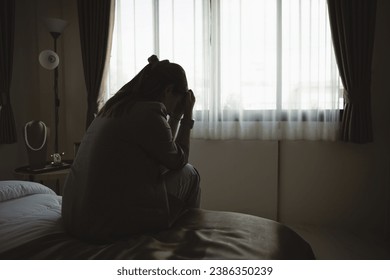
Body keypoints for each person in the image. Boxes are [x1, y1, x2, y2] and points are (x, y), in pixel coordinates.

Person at [61, 55, 200, 243]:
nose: (176, 106)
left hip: (74, 217)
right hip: (100, 225)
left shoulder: (115, 107)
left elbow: (165, 151)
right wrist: (187, 117)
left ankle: (177, 231)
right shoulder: (148, 113)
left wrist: (174, 116)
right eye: (178, 100)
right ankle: (189, 237)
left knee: (166, 173)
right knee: (190, 173)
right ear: (168, 90)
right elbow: (178, 160)